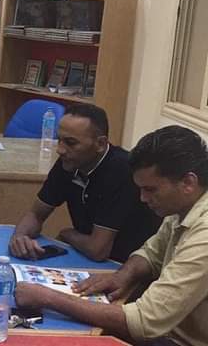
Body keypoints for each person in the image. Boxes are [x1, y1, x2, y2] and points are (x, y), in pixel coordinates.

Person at [15, 125, 208, 346]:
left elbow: (143, 321)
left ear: (188, 183)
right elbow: (151, 254)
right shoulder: (182, 207)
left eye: (150, 189)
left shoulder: (204, 234)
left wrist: (48, 298)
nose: (143, 198)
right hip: (168, 332)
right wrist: (122, 275)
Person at [9, 104, 160, 262]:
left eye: (71, 143)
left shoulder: (122, 171)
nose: (60, 150)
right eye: (59, 140)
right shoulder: (69, 162)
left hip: (126, 264)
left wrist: (67, 234)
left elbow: (98, 250)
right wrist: (20, 237)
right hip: (84, 255)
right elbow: (36, 214)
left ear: (100, 144)